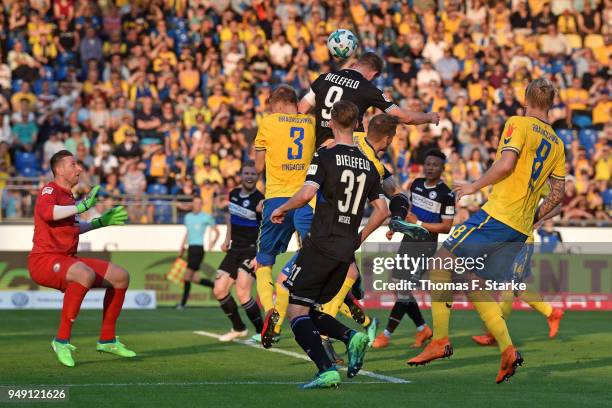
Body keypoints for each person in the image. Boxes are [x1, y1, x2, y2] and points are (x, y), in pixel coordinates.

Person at [408, 78, 566, 384]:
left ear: (525, 100)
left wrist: (473, 186)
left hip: (496, 217)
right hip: (518, 230)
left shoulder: (518, 123)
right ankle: (507, 349)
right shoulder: (557, 144)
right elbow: (558, 194)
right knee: (474, 281)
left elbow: (506, 164)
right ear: (551, 104)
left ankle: (439, 340)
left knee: (440, 266)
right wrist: (530, 216)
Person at [270, 100, 389, 389]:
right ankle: (352, 337)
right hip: (345, 250)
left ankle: (326, 369)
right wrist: (358, 238)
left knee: (295, 311)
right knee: (310, 310)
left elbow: (307, 192)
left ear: (332, 122)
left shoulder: (324, 156)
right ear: (358, 124)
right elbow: (383, 211)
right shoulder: (369, 166)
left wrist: (282, 208)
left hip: (320, 244)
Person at [28, 150, 135, 367]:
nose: (79, 169)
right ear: (59, 170)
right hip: (44, 261)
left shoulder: (69, 197)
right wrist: (82, 206)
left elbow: (74, 228)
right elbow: (47, 213)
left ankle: (107, 339)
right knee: (83, 273)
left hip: (67, 259)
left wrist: (98, 222)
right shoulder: (50, 189)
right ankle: (61, 340)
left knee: (121, 277)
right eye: (73, 164)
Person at [252, 85, 316, 348]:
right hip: (304, 200)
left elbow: (256, 166)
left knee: (263, 261)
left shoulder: (268, 122)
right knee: (313, 255)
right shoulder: (310, 123)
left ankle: (270, 309)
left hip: (277, 199)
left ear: (278, 104)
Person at [373, 149, 454, 349]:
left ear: (442, 168)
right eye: (428, 164)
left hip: (425, 247)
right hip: (408, 241)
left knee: (404, 290)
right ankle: (422, 328)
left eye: (435, 165)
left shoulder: (447, 194)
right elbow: (407, 211)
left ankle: (385, 334)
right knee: (397, 286)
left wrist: (418, 222)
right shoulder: (416, 184)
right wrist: (396, 225)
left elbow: (446, 227)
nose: (430, 168)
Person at [298, 52, 440, 148]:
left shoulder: (325, 77)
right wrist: (429, 117)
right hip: (345, 151)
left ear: (356, 64)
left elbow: (301, 110)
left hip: (318, 149)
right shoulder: (367, 88)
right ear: (375, 74)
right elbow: (405, 117)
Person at [213, 162, 265, 342]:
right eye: (246, 173)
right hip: (234, 249)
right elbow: (230, 217)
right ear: (241, 176)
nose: (250, 176)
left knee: (243, 292)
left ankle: (261, 332)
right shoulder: (233, 194)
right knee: (219, 290)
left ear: (257, 177)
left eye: (253, 173)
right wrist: (227, 239)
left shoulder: (260, 200)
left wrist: (259, 254)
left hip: (251, 250)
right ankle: (238, 327)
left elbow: (265, 228)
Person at [176, 196, 219, 309]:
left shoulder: (206, 217)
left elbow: (217, 231)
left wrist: (213, 242)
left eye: (200, 203)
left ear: (202, 204)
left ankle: (183, 304)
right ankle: (217, 286)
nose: (197, 205)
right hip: (190, 248)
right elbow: (188, 233)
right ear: (192, 204)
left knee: (186, 277)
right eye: (196, 203)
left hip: (198, 249)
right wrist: (182, 247)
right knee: (195, 279)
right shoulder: (188, 217)